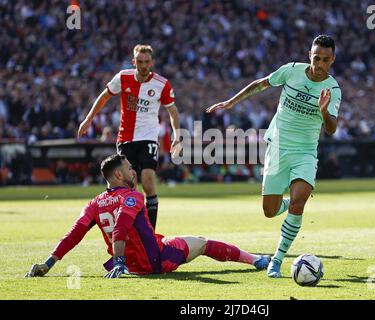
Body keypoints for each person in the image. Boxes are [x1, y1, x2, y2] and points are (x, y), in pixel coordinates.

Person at [206, 35, 341, 278]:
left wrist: (323, 112)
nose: (318, 64)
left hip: (305, 152)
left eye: (324, 60)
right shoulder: (291, 71)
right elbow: (261, 83)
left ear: (332, 60)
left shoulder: (333, 89)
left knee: (299, 203)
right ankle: (291, 203)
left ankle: (276, 261)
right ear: (309, 54)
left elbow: (331, 129)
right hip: (278, 148)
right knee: (269, 210)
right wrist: (231, 102)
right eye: (315, 57)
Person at [25, 154, 270, 278]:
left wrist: (47, 264)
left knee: (166, 237)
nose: (134, 171)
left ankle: (256, 259)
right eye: (130, 168)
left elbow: (73, 235)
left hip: (130, 265)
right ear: (119, 175)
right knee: (202, 242)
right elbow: (121, 226)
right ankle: (256, 260)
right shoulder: (133, 196)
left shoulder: (94, 203)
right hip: (153, 260)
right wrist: (119, 261)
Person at [78, 44, 181, 230]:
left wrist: (177, 134)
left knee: (148, 183)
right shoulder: (123, 77)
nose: (143, 65)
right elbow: (104, 96)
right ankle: (132, 231)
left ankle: (151, 234)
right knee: (128, 188)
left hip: (148, 137)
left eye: (146, 62)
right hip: (126, 138)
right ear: (133, 62)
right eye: (139, 61)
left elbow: (172, 110)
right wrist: (89, 118)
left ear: (152, 62)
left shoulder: (161, 84)